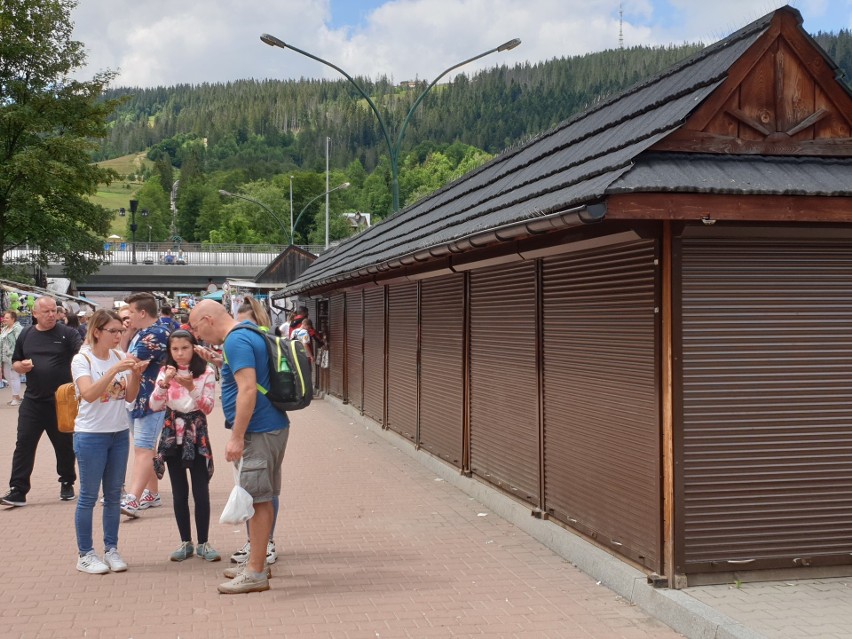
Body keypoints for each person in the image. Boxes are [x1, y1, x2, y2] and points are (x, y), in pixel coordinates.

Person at [189, 299, 289, 594]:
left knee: (256, 500)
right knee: (263, 496)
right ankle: (257, 562)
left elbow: (248, 388)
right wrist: (221, 363)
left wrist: (236, 436)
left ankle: (256, 571)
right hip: (270, 426)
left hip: (257, 431)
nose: (198, 336)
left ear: (208, 319)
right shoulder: (247, 332)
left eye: (196, 328)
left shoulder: (236, 341)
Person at [72, 309, 146, 574]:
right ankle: (85, 554)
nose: (118, 336)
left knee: (114, 496)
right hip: (90, 435)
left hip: (117, 433)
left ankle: (111, 549)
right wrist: (115, 369)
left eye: (120, 331)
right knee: (89, 496)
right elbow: (89, 394)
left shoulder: (120, 355)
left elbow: (129, 397)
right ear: (96, 332)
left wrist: (136, 374)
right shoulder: (82, 359)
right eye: (112, 331)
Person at [0, 296, 82, 507]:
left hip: (60, 401)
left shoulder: (67, 334)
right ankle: (18, 490)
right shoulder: (26, 334)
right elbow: (15, 360)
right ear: (35, 314)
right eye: (45, 311)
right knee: (24, 444)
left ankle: (66, 481)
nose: (51, 314)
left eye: (53, 310)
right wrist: (19, 367)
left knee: (63, 445)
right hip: (33, 401)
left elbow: (83, 355)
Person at [150, 329, 220, 562]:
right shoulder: (165, 372)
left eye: (185, 348)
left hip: (196, 433)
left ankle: (204, 543)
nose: (180, 354)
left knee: (201, 491)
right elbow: (154, 405)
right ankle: (185, 542)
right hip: (172, 434)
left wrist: (190, 386)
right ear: (170, 351)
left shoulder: (206, 371)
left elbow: (208, 407)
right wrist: (165, 383)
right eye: (175, 349)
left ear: (194, 347)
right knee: (179, 493)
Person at [230, 297, 280, 567]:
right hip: (274, 421)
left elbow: (248, 388)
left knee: (259, 494)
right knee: (267, 491)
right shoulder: (266, 337)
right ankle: (263, 545)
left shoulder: (243, 339)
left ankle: (261, 550)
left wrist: (236, 436)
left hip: (260, 425)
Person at [121, 292, 170, 517]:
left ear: (142, 312)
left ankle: (133, 498)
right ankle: (151, 493)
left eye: (130, 312)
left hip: (152, 398)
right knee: (146, 448)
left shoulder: (157, 334)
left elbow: (126, 361)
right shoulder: (142, 333)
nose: (128, 317)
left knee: (142, 447)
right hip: (138, 397)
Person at [0, 311, 24, 406]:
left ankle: (15, 397)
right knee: (7, 376)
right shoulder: (4, 329)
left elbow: (20, 343)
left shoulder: (17, 328)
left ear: (13, 319)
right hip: (5, 357)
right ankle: (17, 396)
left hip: (14, 356)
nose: (4, 319)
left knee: (14, 377)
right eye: (4, 317)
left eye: (7, 318)